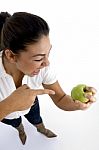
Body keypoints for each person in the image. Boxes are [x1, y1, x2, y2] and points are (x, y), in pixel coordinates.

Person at [0, 12, 96, 145]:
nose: (47, 63)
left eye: (48, 54)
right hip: (7, 116)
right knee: (15, 123)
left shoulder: (43, 68)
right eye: (39, 58)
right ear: (11, 56)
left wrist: (77, 105)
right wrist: (9, 105)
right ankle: (20, 130)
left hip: (31, 105)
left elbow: (61, 98)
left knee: (36, 118)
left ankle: (41, 128)